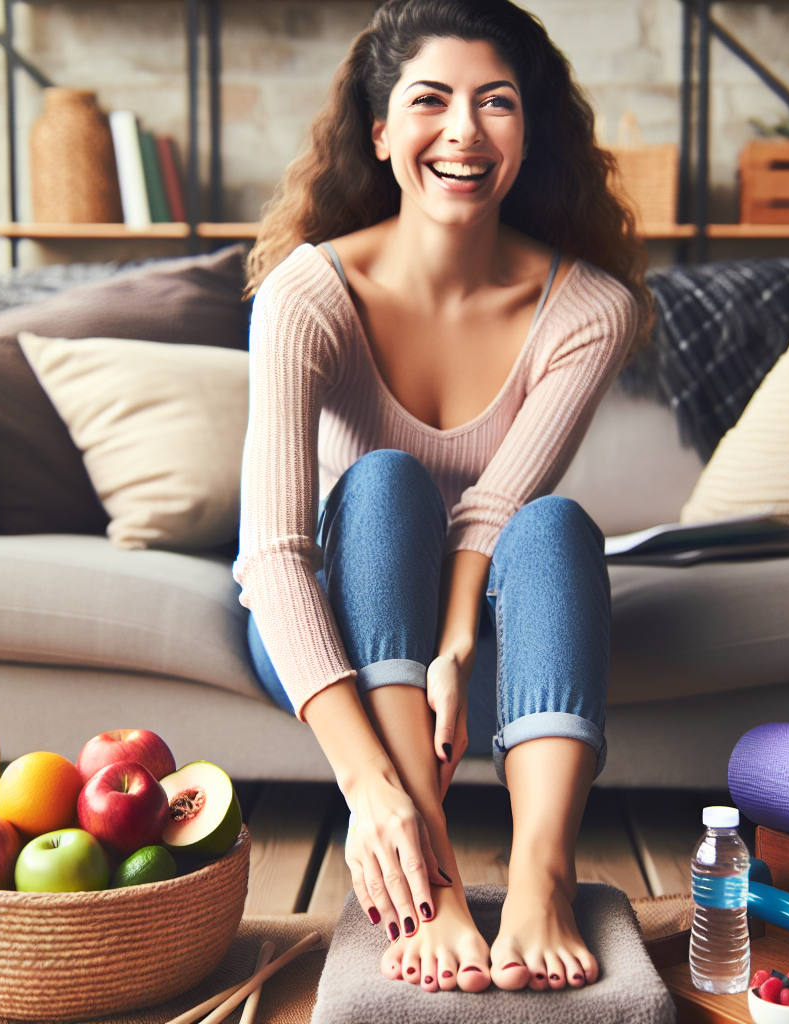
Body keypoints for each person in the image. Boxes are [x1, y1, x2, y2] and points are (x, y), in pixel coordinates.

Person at [236, 0, 652, 994]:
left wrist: (458, 643)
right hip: (339, 610)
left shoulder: (590, 307)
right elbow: (275, 556)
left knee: (553, 524)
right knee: (383, 482)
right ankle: (431, 875)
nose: (463, 132)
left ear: (528, 133)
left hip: (490, 587)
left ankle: (544, 873)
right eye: (430, 101)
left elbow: (495, 508)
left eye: (496, 103)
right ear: (380, 133)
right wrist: (367, 786)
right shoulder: (308, 293)